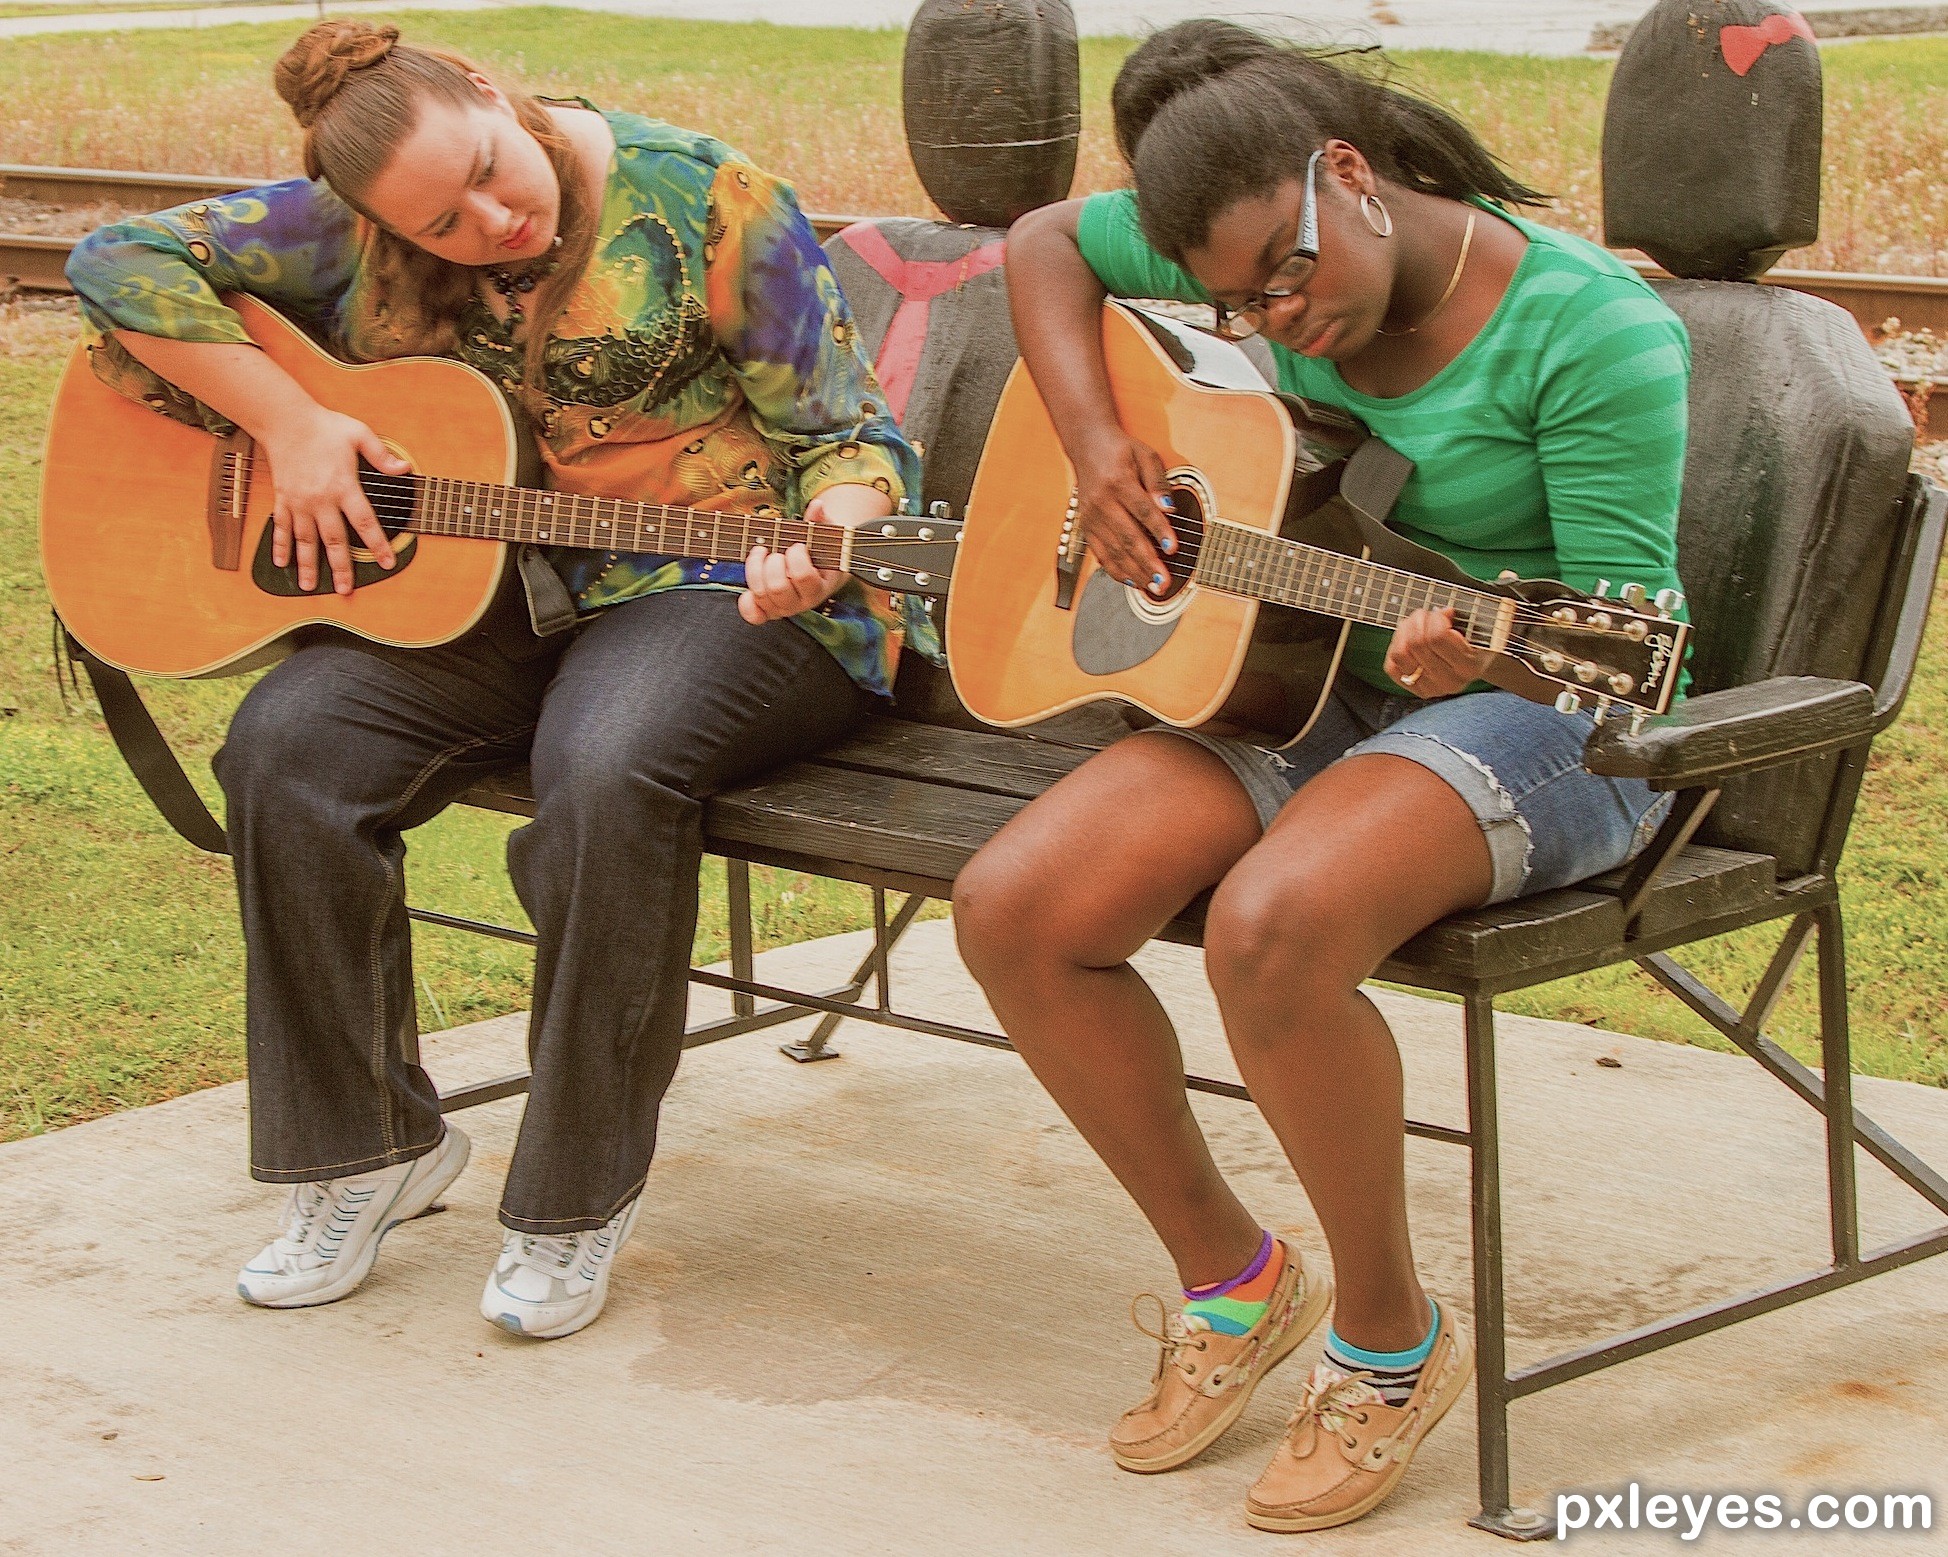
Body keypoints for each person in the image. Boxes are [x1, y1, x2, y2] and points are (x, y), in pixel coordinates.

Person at [66, 19, 924, 1340]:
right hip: (509, 591)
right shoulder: (355, 224)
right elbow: (113, 256)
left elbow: (848, 438)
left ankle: (572, 1198)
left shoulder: (708, 201)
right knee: (288, 742)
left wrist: (834, 534)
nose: (488, 220)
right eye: (441, 221)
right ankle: (366, 1149)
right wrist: (289, 424)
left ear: (487, 87)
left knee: (607, 760)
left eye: (484, 172)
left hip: (734, 588)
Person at [952, 20, 1690, 1533]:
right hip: (1308, 673)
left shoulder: (1592, 331)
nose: (1273, 319)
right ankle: (1235, 1277)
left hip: (1553, 717)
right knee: (1017, 905)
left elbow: (1621, 642)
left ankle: (1388, 1339)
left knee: (1271, 925)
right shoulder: (1248, 243)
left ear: (1346, 175)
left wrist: (1480, 658)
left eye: (1284, 280)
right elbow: (1042, 242)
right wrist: (1101, 447)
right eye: (1231, 300)